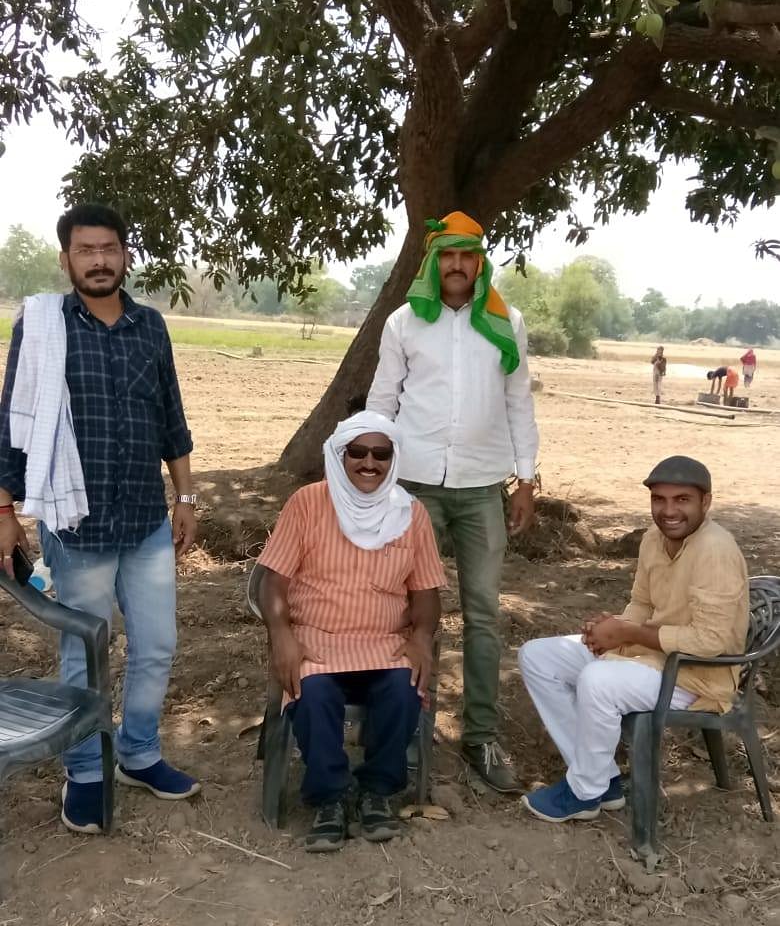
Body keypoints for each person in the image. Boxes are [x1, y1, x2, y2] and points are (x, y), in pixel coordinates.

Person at [0, 203, 200, 835]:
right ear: (66, 260)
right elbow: (14, 424)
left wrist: (186, 497)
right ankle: (85, 770)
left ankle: (139, 752)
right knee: (85, 648)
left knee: (157, 645)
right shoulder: (41, 326)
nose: (98, 260)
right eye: (85, 250)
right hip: (76, 524)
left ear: (125, 255)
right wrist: (4, 510)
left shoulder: (151, 327)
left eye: (108, 248)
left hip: (146, 520)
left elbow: (172, 417)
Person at [367, 210, 539, 793]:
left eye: (468, 256)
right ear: (432, 261)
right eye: (448, 256)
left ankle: (481, 736)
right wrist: (375, 481)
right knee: (411, 610)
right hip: (413, 489)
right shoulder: (404, 323)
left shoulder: (505, 322)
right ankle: (409, 730)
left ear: (481, 261)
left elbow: (519, 403)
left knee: (484, 613)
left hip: (483, 487)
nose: (458, 266)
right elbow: (383, 402)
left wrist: (527, 479)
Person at [517, 455, 748, 823]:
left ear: (705, 502)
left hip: (697, 677)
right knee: (538, 656)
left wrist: (629, 633)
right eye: (660, 499)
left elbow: (711, 641)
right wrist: (611, 629)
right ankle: (602, 778)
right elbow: (641, 603)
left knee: (598, 681)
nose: (669, 510)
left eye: (682, 500)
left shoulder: (715, 550)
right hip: (651, 657)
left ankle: (584, 792)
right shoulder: (654, 539)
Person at [257, 410, 445, 852]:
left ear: (392, 460)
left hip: (384, 642)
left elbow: (426, 591)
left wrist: (420, 637)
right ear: (340, 455)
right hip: (318, 637)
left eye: (381, 454)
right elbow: (272, 581)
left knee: (404, 689)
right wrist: (282, 635)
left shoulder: (410, 514)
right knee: (314, 692)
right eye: (357, 452)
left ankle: (377, 792)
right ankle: (330, 799)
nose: (369, 463)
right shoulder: (307, 503)